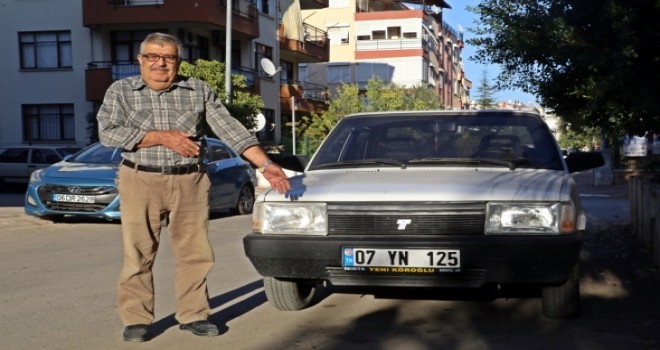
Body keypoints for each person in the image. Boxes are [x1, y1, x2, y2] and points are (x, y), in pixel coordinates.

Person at [96, 32, 290, 343]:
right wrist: (162, 136)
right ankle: (137, 319)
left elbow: (229, 128)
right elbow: (108, 132)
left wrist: (265, 164)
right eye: (153, 57)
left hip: (190, 180)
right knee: (138, 253)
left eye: (169, 57)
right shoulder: (121, 90)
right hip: (140, 178)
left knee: (195, 253)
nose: (161, 63)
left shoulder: (197, 89)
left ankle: (194, 314)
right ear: (140, 60)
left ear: (178, 61)